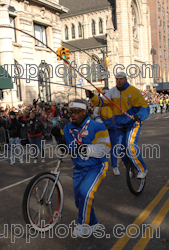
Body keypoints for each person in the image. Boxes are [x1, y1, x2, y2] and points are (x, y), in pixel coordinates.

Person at [52, 99, 111, 238]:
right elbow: (65, 149)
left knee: (85, 193)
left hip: (96, 166)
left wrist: (85, 148)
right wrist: (58, 138)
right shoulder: (67, 128)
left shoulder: (98, 126)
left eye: (77, 112)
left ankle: (83, 225)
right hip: (78, 167)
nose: (73, 115)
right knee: (79, 200)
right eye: (71, 112)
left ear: (85, 112)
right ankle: (94, 224)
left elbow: (106, 149)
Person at [86, 71, 149, 178]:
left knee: (130, 146)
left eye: (121, 79)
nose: (119, 81)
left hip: (133, 123)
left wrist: (139, 115)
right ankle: (129, 166)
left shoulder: (133, 91)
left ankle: (141, 169)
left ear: (126, 79)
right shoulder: (111, 92)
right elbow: (101, 102)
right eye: (117, 79)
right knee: (118, 149)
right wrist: (92, 96)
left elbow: (144, 107)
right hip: (119, 125)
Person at [92, 87, 119, 175]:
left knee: (114, 147)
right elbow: (95, 114)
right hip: (103, 127)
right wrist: (101, 124)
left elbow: (119, 114)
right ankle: (101, 166)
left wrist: (112, 124)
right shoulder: (100, 104)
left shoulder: (114, 103)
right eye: (103, 94)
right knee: (101, 147)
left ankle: (115, 166)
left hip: (113, 126)